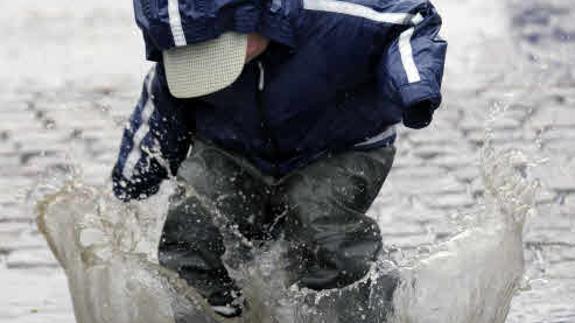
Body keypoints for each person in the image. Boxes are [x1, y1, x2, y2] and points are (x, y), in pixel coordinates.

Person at [112, 0, 447, 320]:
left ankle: (353, 307)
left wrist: (415, 83)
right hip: (230, 148)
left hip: (339, 144)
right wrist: (135, 174)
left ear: (258, 14)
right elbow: (161, 110)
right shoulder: (180, 44)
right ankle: (213, 311)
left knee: (320, 218)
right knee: (191, 218)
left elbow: (409, 21)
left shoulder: (335, 14)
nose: (201, 62)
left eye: (215, 51)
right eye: (191, 57)